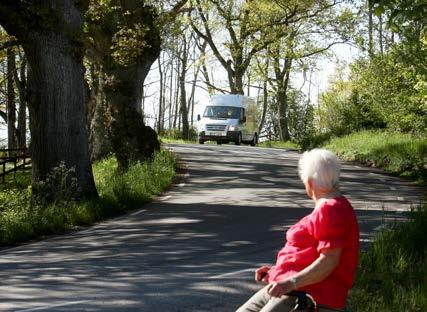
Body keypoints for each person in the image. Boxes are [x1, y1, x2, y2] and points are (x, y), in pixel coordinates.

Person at [236, 149, 359, 312]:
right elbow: (307, 253)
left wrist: (290, 282)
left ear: (309, 183)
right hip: (289, 289)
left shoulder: (331, 210)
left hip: (309, 296)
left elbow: (329, 260)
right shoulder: (334, 206)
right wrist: (277, 271)